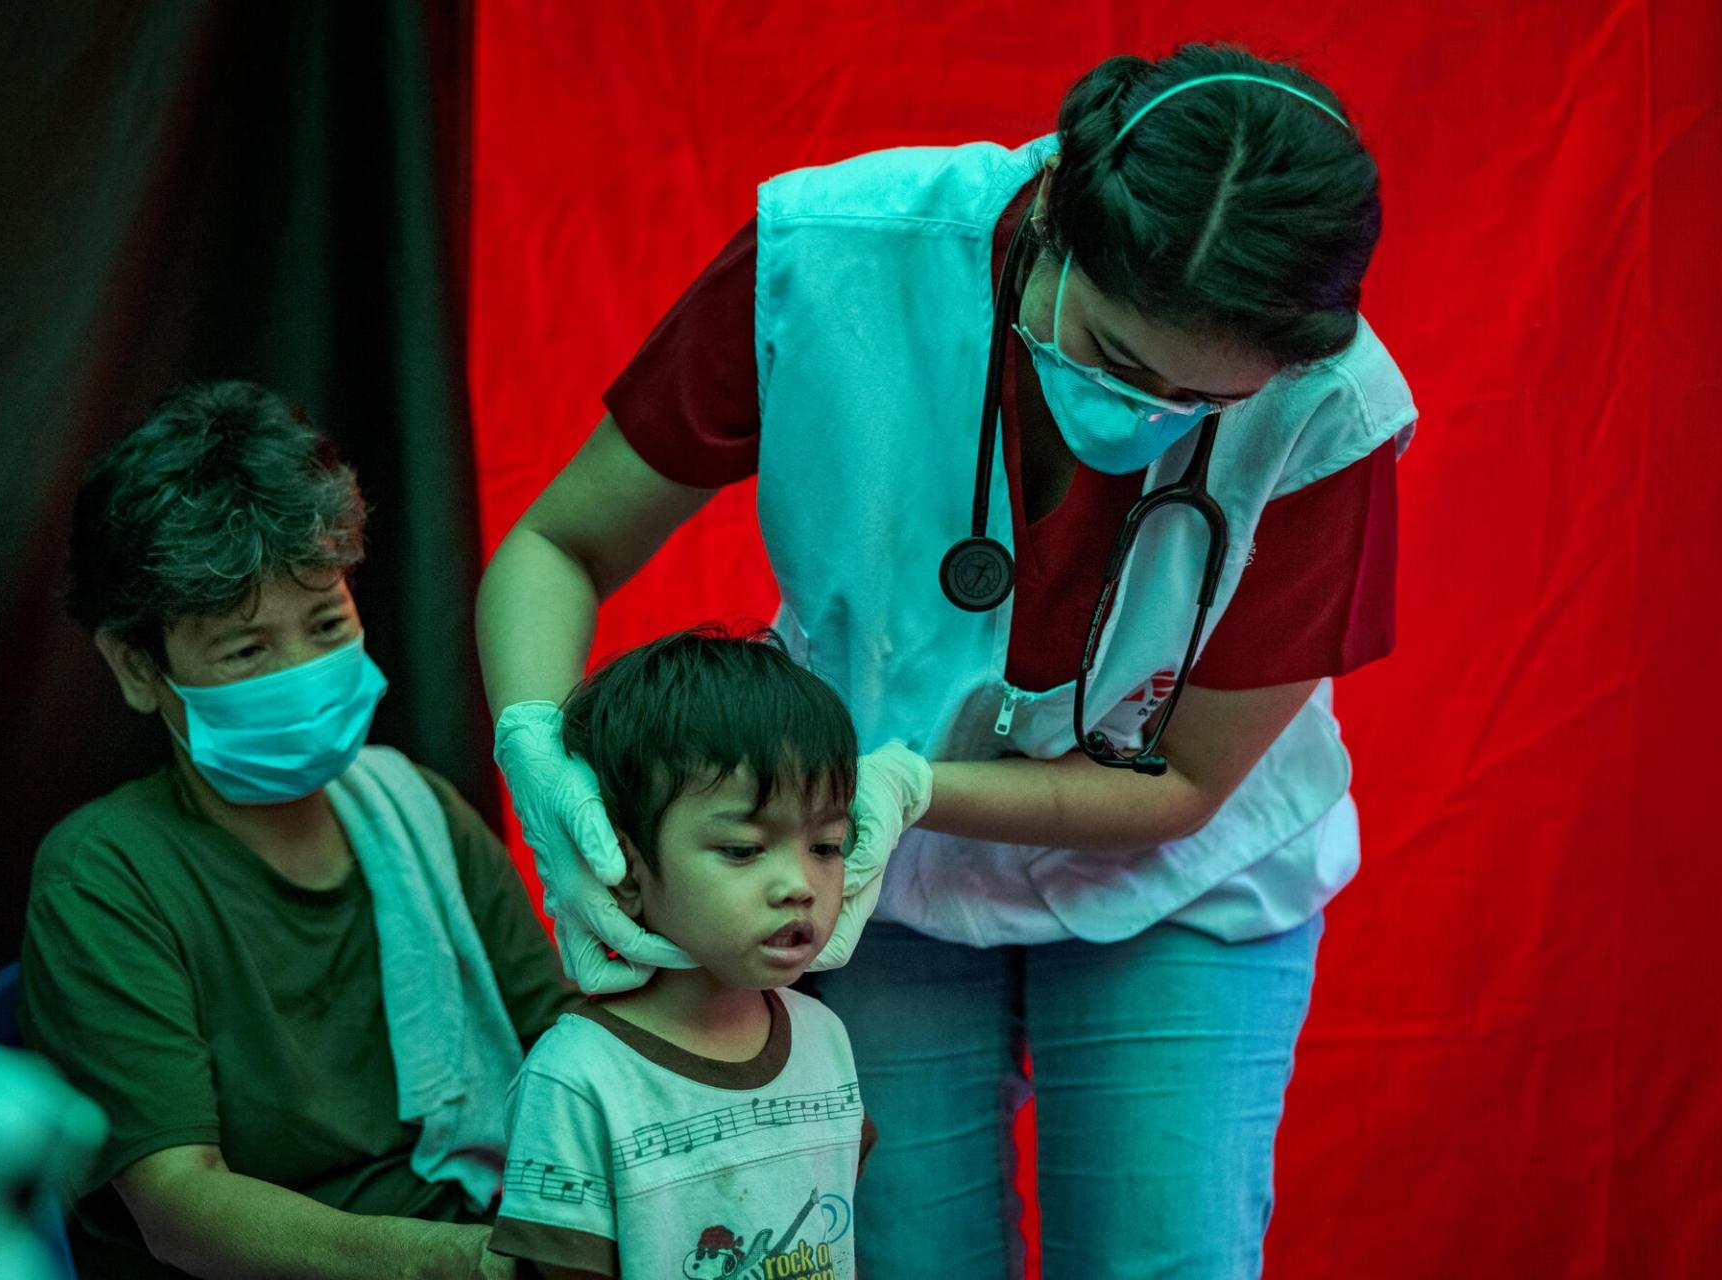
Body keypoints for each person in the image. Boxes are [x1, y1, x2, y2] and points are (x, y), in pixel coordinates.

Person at [476, 41, 1415, 1278]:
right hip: (873, 880)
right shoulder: (834, 257)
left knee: (1166, 1255)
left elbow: (1180, 788)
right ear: (1057, 223)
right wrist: (535, 743)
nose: (1147, 418)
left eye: (1206, 402)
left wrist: (903, 780)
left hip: (1184, 876)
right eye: (1122, 360)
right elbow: (559, 543)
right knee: (903, 1254)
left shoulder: (1333, 409)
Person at [20, 381, 575, 1280]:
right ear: (137, 666)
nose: (303, 671)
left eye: (327, 624)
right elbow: (180, 1207)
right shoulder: (106, 877)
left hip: (496, 1225)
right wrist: (475, 1264)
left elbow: (563, 1048)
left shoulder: (419, 812)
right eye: (246, 650)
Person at [488, 626, 877, 1279]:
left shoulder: (825, 1038)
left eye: (826, 846)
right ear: (625, 868)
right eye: (743, 850)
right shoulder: (579, 1080)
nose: (800, 886)